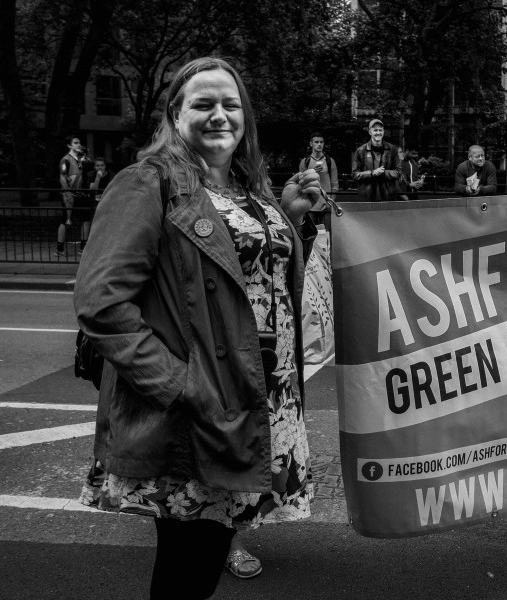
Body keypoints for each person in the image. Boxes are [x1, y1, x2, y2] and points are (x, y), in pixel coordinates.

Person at [74, 56, 320, 599]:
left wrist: (289, 217)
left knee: (206, 557)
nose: (219, 115)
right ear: (175, 113)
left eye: (230, 105)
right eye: (203, 104)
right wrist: (180, 385)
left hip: (258, 394)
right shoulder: (147, 181)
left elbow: (255, 278)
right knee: (190, 567)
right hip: (201, 401)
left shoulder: (245, 186)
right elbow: (101, 303)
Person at [56, 136, 90, 255]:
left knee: (86, 219)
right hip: (70, 195)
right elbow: (62, 177)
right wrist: (67, 193)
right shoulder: (66, 160)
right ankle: (60, 248)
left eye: (79, 142)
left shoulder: (79, 160)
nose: (78, 145)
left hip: (79, 194)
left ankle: (83, 247)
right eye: (75, 143)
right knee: (66, 220)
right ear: (69, 146)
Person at [352, 118, 401, 202]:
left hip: (388, 197)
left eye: (380, 130)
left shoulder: (393, 150)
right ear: (370, 132)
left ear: (383, 131)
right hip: (367, 198)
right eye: (375, 130)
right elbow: (355, 174)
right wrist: (372, 173)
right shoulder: (360, 151)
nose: (378, 133)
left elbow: (398, 172)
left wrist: (384, 173)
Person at [299, 132, 339, 204]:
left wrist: (331, 202)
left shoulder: (330, 161)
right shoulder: (305, 161)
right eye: (316, 142)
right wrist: (311, 172)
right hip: (310, 203)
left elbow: (335, 184)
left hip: (326, 201)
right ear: (311, 144)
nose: (319, 144)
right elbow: (300, 182)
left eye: (321, 142)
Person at [85, 157, 113, 238]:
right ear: (94, 167)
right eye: (97, 165)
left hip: (107, 202)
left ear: (105, 166)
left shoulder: (111, 176)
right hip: (94, 203)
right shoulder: (91, 175)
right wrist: (98, 178)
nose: (100, 167)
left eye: (102, 165)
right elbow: (93, 191)